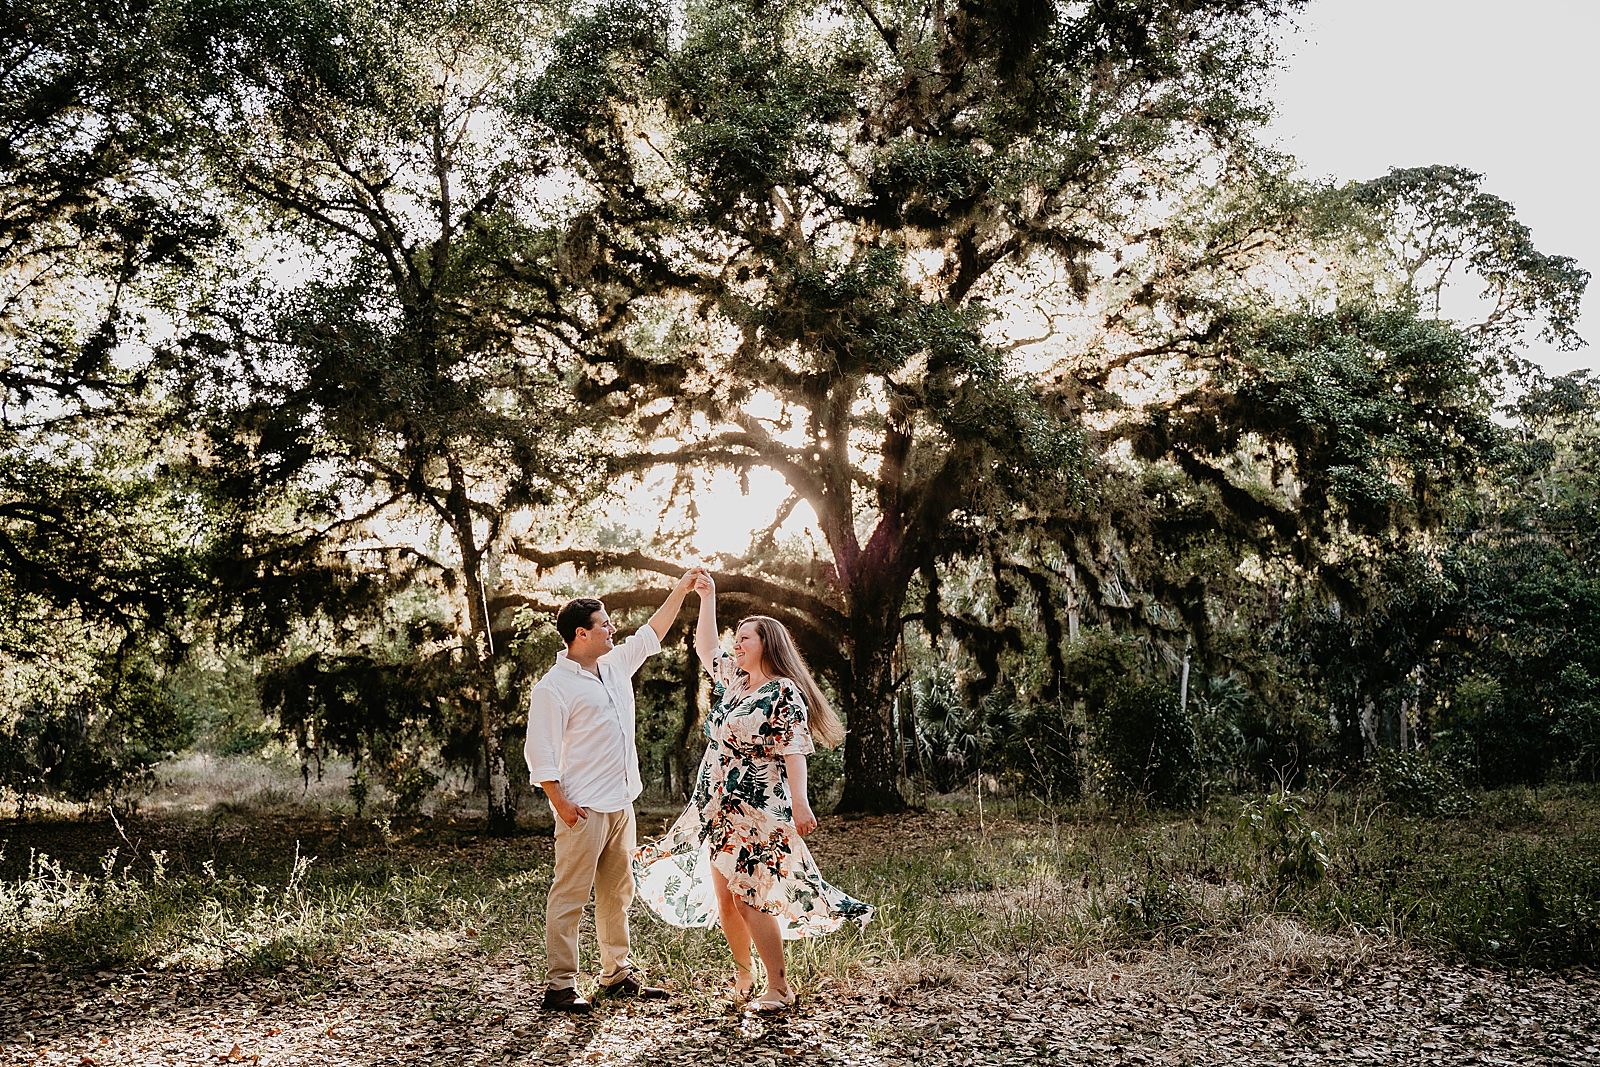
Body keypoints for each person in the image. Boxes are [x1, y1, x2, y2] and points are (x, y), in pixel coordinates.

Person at [633, 572, 873, 1012]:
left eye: (745, 638)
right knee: (726, 898)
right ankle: (746, 977)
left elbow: (795, 749)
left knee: (750, 896)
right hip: (720, 805)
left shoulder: (783, 692)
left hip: (758, 807)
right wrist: (707, 598)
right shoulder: (737, 683)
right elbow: (707, 648)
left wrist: (801, 804)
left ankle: (779, 988)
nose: (737, 644)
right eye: (737, 637)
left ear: (768, 644)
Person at [525, 569, 702, 1014]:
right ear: (581, 634)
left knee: (616, 896)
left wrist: (681, 589)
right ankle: (560, 986)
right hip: (582, 810)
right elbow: (540, 751)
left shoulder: (616, 665)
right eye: (604, 624)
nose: (612, 629)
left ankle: (616, 973)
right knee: (569, 897)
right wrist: (560, 803)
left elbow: (653, 630)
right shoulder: (553, 687)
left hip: (622, 804)